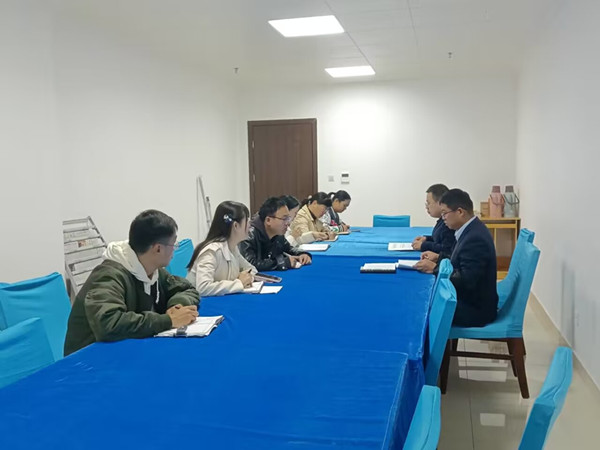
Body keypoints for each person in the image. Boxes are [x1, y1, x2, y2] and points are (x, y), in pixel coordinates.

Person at [64, 210, 200, 356]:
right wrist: (168, 320)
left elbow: (187, 289)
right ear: (158, 248)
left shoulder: (153, 270)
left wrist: (176, 306)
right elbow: (108, 323)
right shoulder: (108, 276)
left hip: (125, 350)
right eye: (173, 244)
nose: (174, 249)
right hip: (91, 359)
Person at [415, 189, 498, 327]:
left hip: (475, 309)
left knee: (421, 308)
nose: (443, 218)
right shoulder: (470, 229)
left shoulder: (475, 239)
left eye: (444, 213)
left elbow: (466, 281)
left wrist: (435, 268)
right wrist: (439, 258)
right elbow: (459, 260)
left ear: (460, 212)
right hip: (470, 300)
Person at [186, 201, 256, 296]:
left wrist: (246, 277)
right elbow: (203, 288)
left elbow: (252, 269)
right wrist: (239, 283)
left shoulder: (233, 247)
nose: (250, 225)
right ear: (236, 225)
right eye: (247, 221)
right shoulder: (211, 252)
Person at [239, 197, 312, 271]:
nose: (288, 223)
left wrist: (302, 254)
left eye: (288, 218)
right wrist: (282, 263)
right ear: (268, 220)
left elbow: (289, 248)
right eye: (284, 219)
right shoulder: (248, 235)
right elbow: (250, 264)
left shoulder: (277, 234)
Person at [412, 184, 455, 258]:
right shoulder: (442, 220)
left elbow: (446, 248)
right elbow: (439, 239)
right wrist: (426, 239)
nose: (427, 207)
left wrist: (423, 245)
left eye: (428, 203)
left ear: (440, 203)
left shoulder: (449, 222)